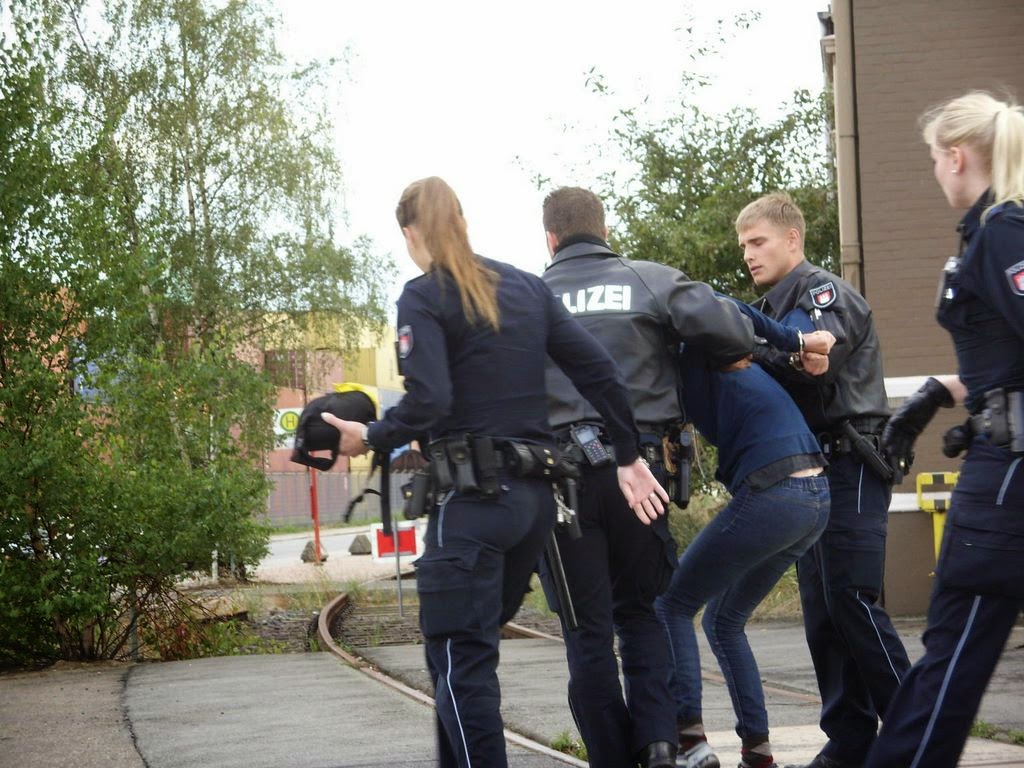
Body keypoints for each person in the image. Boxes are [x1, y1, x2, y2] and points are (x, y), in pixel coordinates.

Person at [323, 176, 668, 768]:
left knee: (462, 660)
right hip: (534, 507)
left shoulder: (424, 294)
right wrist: (630, 458)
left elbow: (429, 399)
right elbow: (603, 375)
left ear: (410, 232)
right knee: (456, 656)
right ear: (461, 221)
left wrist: (370, 436)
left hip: (473, 504)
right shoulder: (527, 287)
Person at [537, 187, 834, 768]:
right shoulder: (647, 279)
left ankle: (610, 756)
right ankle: (661, 748)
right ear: (604, 229)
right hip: (638, 475)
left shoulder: (525, 296)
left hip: (559, 485)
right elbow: (729, 329)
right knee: (644, 614)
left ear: (549, 239)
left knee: (587, 633)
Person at [864, 91, 1024, 768]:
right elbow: (1004, 357)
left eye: (933, 157)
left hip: (1009, 478)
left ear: (957, 157)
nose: (933, 170)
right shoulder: (993, 233)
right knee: (954, 648)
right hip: (1003, 462)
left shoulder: (1005, 232)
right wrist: (937, 395)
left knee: (953, 651)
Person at [735, 192, 911, 768]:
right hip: (813, 468)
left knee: (852, 599)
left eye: (758, 242)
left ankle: (917, 731)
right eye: (743, 246)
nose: (749, 255)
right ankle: (851, 738)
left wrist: (749, 349)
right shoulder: (772, 306)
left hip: (852, 460)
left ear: (792, 239)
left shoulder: (819, 295)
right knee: (823, 608)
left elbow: (816, 361)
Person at [656, 315, 833, 768]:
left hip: (777, 492)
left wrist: (796, 341)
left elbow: (715, 303)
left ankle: (689, 742)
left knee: (672, 603)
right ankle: (758, 753)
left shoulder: (691, 348)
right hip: (815, 497)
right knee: (723, 620)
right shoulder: (739, 364)